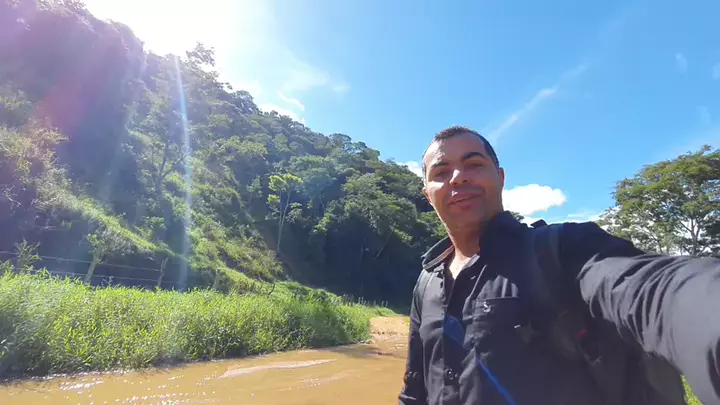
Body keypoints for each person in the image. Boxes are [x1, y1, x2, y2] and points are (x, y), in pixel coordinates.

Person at [398, 125, 720, 405]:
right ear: (428, 194)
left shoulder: (561, 250)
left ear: (501, 177)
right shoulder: (428, 282)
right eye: (441, 172)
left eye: (474, 163)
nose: (458, 176)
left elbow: (651, 291)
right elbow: (415, 390)